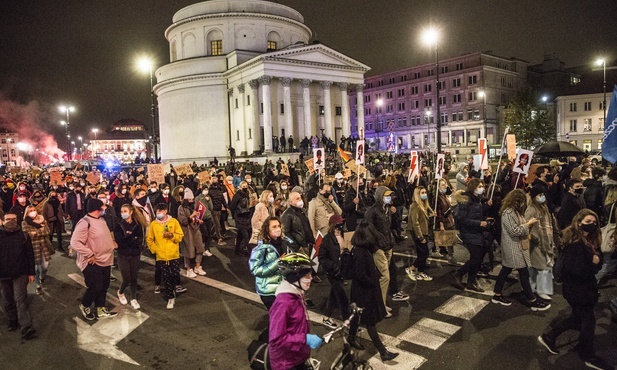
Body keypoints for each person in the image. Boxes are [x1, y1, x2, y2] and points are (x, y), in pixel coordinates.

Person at [538, 209, 611, 370]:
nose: (592, 225)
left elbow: (598, 263)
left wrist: (595, 262)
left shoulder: (590, 241)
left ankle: (549, 337)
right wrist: (593, 264)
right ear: (578, 223)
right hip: (578, 291)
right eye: (588, 222)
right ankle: (588, 355)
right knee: (588, 322)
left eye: (594, 222)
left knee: (578, 319)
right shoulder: (575, 245)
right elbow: (576, 271)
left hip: (581, 289)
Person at [347, 221, 399, 362]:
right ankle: (383, 352)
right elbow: (360, 274)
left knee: (357, 318)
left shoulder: (362, 250)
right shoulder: (360, 252)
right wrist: (372, 282)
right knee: (370, 322)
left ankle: (351, 338)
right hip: (364, 292)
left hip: (362, 291)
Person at [490, 190, 550, 310]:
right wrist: (528, 224)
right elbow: (514, 231)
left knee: (507, 270)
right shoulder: (508, 213)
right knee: (523, 273)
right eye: (522, 201)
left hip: (518, 246)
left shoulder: (515, 211)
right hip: (513, 247)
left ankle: (497, 294)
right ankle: (532, 300)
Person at [269, 253, 323, 370]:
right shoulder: (283, 303)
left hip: (297, 356)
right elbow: (276, 340)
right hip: (286, 363)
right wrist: (305, 339)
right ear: (294, 277)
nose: (311, 278)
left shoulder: (297, 294)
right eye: (306, 275)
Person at [71, 199, 118, 320]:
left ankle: (100, 308)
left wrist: (112, 242)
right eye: (103, 207)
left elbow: (105, 235)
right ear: (97, 209)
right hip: (93, 261)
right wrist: (89, 254)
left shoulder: (101, 220)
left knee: (104, 285)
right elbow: (75, 242)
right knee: (96, 286)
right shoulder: (85, 222)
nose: (104, 209)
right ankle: (85, 305)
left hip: (106, 259)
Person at [0, 212, 37, 340]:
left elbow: (30, 256)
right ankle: (12, 320)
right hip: (3, 275)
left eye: (13, 219)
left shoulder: (23, 236)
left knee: (21, 300)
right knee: (7, 299)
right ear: (3, 221)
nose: (11, 221)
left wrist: (31, 272)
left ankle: (26, 327)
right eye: (8, 219)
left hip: (20, 273)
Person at [451, 178, 492, 292]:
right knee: (476, 258)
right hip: (468, 232)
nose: (482, 188)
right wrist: (479, 223)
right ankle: (459, 274)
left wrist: (484, 218)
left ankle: (471, 281)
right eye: (479, 186)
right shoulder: (466, 200)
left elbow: (476, 214)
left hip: (476, 232)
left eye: (482, 186)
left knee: (478, 258)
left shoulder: (477, 200)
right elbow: (462, 219)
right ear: (473, 188)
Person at [147, 203, 185, 309]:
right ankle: (170, 297)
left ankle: (174, 289)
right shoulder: (154, 224)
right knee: (166, 277)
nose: (158, 213)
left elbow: (180, 236)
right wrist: (155, 250)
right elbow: (149, 239)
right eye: (157, 211)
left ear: (165, 211)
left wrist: (172, 236)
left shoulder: (174, 222)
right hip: (161, 256)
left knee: (174, 274)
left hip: (174, 254)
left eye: (160, 211)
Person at [525, 186, 560, 301]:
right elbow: (527, 226)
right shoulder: (531, 209)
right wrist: (536, 239)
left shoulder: (544, 208)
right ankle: (541, 290)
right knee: (542, 267)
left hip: (545, 241)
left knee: (538, 268)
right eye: (539, 195)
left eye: (543, 195)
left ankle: (533, 287)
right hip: (537, 243)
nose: (542, 197)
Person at [317, 214, 350, 330]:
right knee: (342, 298)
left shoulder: (343, 235)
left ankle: (326, 317)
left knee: (334, 295)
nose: (341, 225)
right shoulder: (327, 239)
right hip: (333, 272)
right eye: (339, 223)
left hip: (341, 270)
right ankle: (348, 321)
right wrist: (332, 266)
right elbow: (321, 257)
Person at [248, 216, 287, 309]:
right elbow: (255, 269)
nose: (278, 229)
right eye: (274, 227)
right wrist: (277, 263)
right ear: (267, 230)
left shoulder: (283, 243)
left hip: (282, 288)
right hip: (269, 291)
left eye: (278, 226)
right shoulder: (262, 248)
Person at [113, 204, 144, 310]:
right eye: (122, 211)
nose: (123, 213)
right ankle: (120, 292)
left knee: (134, 277)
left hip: (135, 254)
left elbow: (139, 239)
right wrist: (132, 238)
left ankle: (133, 298)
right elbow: (120, 240)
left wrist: (128, 237)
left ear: (131, 212)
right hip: (123, 254)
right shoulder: (118, 225)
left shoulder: (137, 224)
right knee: (126, 278)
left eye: (125, 211)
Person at [21, 205, 53, 295]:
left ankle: (41, 276)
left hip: (43, 245)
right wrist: (40, 231)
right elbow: (27, 235)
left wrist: (35, 233)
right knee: (36, 267)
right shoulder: (24, 222)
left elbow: (47, 231)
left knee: (45, 265)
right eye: (30, 210)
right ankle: (37, 285)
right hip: (33, 247)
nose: (33, 212)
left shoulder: (42, 219)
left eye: (34, 210)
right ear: (27, 213)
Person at [406, 186, 434, 281]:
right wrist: (420, 237)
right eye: (422, 193)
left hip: (423, 231)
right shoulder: (415, 205)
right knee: (424, 254)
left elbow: (423, 218)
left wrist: (431, 214)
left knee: (421, 253)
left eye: (425, 192)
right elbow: (415, 222)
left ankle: (421, 272)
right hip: (418, 233)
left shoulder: (423, 204)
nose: (425, 194)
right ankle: (411, 268)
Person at [178, 188, 206, 277]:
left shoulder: (194, 206)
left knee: (200, 248)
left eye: (192, 199)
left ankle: (197, 267)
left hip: (196, 228)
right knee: (188, 250)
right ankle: (188, 269)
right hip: (187, 231)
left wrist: (198, 220)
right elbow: (183, 221)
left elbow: (196, 217)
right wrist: (192, 216)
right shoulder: (181, 208)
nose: (192, 200)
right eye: (190, 199)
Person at [230, 181, 252, 256]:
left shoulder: (248, 194)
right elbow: (232, 206)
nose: (245, 187)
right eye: (243, 186)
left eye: (246, 186)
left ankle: (237, 250)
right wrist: (234, 216)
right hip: (239, 217)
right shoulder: (237, 195)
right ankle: (251, 252)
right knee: (246, 236)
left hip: (246, 216)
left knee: (240, 235)